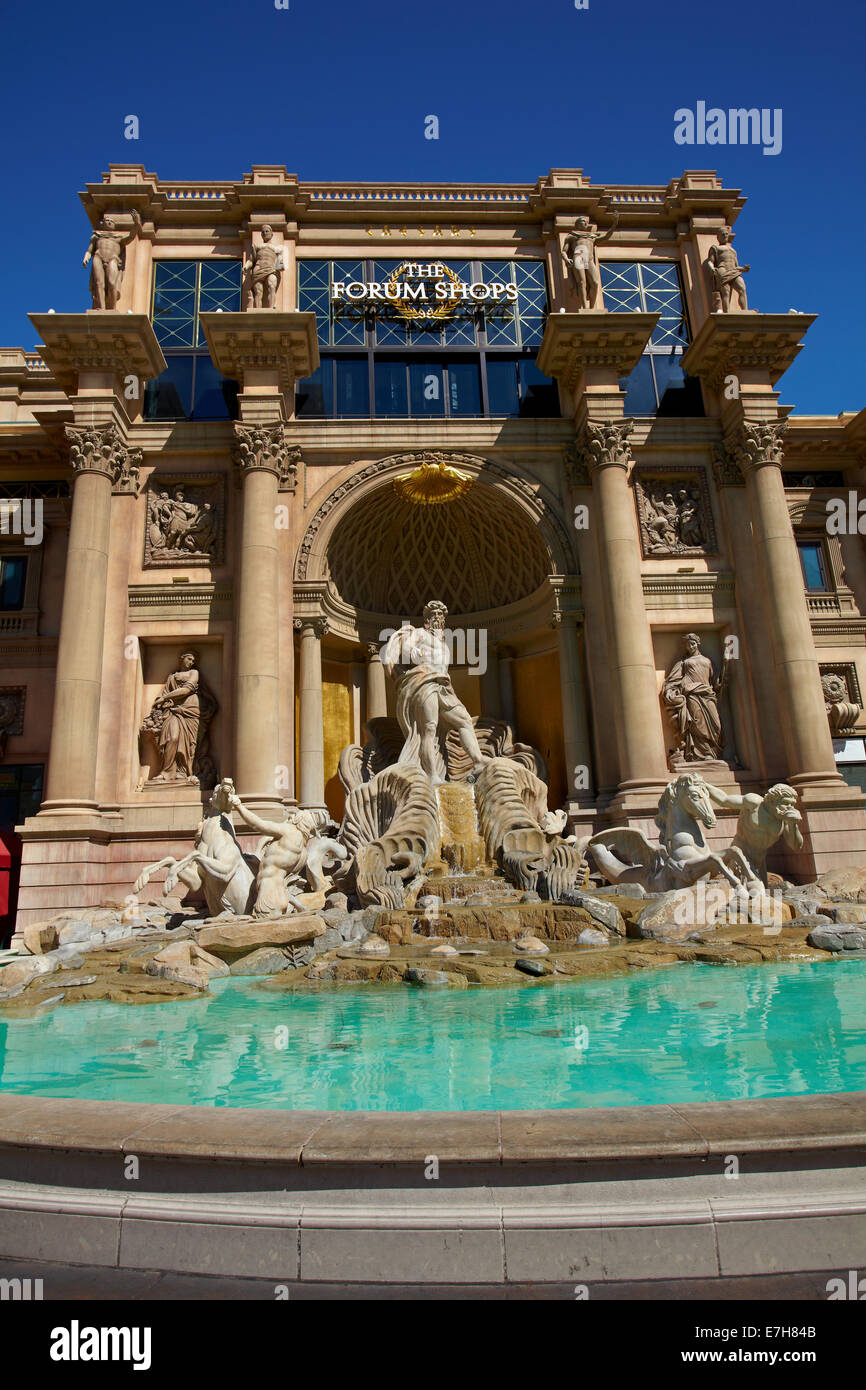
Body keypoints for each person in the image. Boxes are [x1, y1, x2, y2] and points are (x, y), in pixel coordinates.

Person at [381, 599, 486, 785]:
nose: (436, 617)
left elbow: (444, 671)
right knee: (429, 728)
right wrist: (413, 653)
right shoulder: (420, 633)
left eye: (439, 614)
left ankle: (478, 763)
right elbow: (406, 649)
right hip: (424, 683)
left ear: (444, 619)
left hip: (443, 687)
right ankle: (432, 775)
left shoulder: (444, 646)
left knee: (464, 720)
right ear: (427, 619)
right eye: (432, 614)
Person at [82, 211, 141, 309]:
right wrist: (86, 258)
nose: (109, 222)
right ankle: (102, 307)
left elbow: (131, 237)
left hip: (112, 258)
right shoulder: (96, 236)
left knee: (112, 282)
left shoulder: (118, 238)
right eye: (107, 220)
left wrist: (136, 224)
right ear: (103, 223)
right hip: (98, 257)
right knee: (99, 283)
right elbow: (89, 250)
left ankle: (113, 308)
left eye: (111, 221)